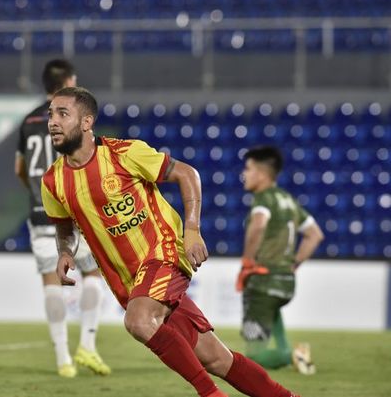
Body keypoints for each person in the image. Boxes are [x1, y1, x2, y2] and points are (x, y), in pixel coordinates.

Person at [41, 86, 302, 397]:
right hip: (130, 282)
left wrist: (191, 229)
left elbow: (187, 174)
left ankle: (210, 394)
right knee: (217, 358)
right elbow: (63, 227)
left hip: (163, 253)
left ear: (86, 122)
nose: (53, 122)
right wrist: (65, 252)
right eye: (50, 114)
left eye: (62, 114)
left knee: (137, 321)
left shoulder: (124, 154)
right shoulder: (52, 181)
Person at [14, 60, 110, 378]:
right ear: (68, 81)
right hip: (71, 211)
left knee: (50, 284)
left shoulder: (28, 120)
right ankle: (88, 345)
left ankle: (62, 360)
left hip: (40, 214)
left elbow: (20, 169)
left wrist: (38, 193)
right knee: (93, 274)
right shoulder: (69, 116)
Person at [237, 146, 324, 375]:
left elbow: (258, 225)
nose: (244, 174)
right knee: (272, 310)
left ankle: (290, 355)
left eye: (248, 168)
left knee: (253, 356)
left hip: (264, 279)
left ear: (262, 174)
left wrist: (247, 261)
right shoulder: (288, 199)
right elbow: (315, 234)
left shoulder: (263, 198)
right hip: (286, 281)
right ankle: (293, 351)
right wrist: (293, 264)